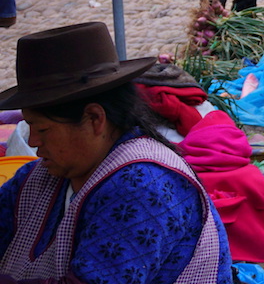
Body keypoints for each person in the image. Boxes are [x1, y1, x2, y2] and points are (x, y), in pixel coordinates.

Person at [0, 22, 234, 283]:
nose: (33, 142)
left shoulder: (144, 187)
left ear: (94, 118)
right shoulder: (39, 178)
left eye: (42, 129)